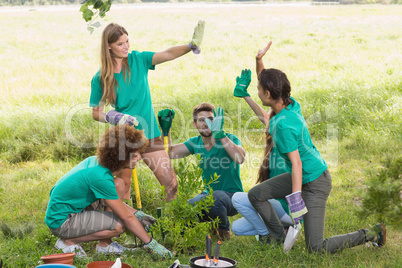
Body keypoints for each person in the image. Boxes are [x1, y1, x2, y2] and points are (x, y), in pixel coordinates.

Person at [245, 41, 386, 253]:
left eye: (258, 89)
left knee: (316, 249)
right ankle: (277, 235)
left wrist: (295, 204)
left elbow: (297, 164)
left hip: (316, 180)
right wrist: (259, 61)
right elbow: (269, 82)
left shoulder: (283, 125)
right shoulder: (289, 103)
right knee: (256, 194)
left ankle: (372, 233)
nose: (257, 91)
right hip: (302, 173)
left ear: (267, 94)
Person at [89, 21, 205, 202]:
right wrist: (113, 116)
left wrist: (190, 46)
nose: (126, 46)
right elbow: (96, 112)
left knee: (171, 184)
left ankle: (173, 225)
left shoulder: (138, 60)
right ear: (108, 46)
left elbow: (166, 54)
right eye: (120, 44)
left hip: (150, 133)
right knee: (123, 188)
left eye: (127, 41)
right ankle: (121, 225)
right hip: (125, 138)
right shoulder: (101, 78)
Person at [44, 125, 172, 258]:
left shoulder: (98, 164)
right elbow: (126, 217)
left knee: (119, 184)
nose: (139, 158)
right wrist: (150, 243)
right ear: (120, 157)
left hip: (73, 209)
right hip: (61, 221)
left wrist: (138, 215)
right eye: (134, 156)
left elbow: (115, 202)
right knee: (120, 225)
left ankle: (104, 246)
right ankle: (69, 241)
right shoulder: (100, 177)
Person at [161, 103, 246, 240]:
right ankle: (186, 240)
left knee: (216, 198)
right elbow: (170, 153)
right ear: (195, 124)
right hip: (208, 195)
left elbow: (240, 158)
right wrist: (166, 131)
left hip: (233, 197)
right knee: (186, 209)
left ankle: (224, 235)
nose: (206, 123)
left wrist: (221, 135)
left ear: (217, 121)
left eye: (210, 119)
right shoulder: (195, 142)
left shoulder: (229, 138)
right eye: (201, 120)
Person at [231, 70, 293, 241]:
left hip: (282, 207)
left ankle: (269, 234)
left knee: (238, 197)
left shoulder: (285, 139)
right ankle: (277, 229)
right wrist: (245, 95)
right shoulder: (273, 141)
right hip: (270, 206)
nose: (268, 123)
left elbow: (272, 97)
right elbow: (266, 110)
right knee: (236, 227)